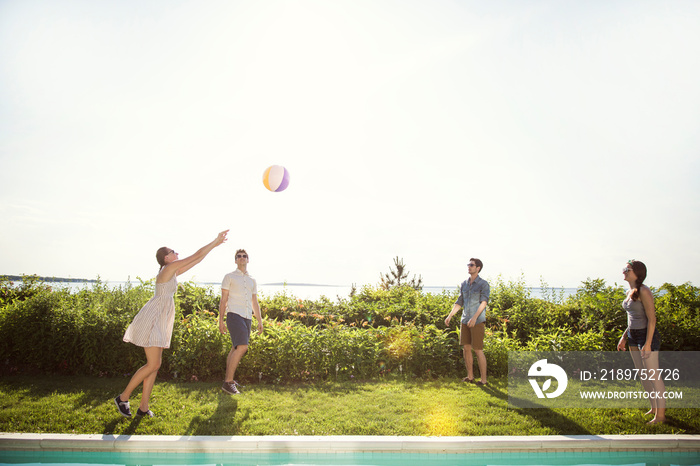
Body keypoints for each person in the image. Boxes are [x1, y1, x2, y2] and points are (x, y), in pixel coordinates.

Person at [114, 230, 229, 418]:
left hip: (160, 317)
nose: (177, 254)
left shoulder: (171, 271)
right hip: (153, 318)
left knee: (155, 365)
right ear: (166, 258)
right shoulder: (168, 269)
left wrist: (214, 246)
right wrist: (215, 241)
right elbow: (196, 255)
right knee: (152, 364)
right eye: (174, 251)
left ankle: (143, 407)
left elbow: (197, 260)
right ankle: (123, 397)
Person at [617, 259, 665, 424]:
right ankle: (653, 407)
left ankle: (660, 416)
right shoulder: (629, 291)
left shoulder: (644, 291)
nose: (624, 271)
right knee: (643, 374)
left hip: (646, 335)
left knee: (653, 375)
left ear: (637, 273)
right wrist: (624, 337)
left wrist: (648, 343)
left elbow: (652, 319)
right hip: (633, 335)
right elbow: (632, 319)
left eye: (627, 269)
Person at [218, 249, 263, 395]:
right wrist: (221, 320)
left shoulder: (252, 280)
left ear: (248, 260)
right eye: (239, 256)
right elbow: (223, 300)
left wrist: (259, 320)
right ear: (235, 260)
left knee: (235, 347)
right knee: (242, 347)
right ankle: (228, 382)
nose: (242, 258)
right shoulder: (229, 277)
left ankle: (228, 381)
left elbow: (254, 302)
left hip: (247, 317)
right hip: (234, 314)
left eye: (244, 256)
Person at [445, 258, 490, 386]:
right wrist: (450, 316)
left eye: (472, 265)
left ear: (478, 268)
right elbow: (460, 302)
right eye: (468, 265)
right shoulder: (464, 284)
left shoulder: (483, 284)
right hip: (465, 320)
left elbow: (484, 302)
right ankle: (470, 377)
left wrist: (475, 317)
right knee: (466, 348)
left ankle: (483, 380)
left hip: (477, 321)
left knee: (478, 349)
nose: (469, 267)